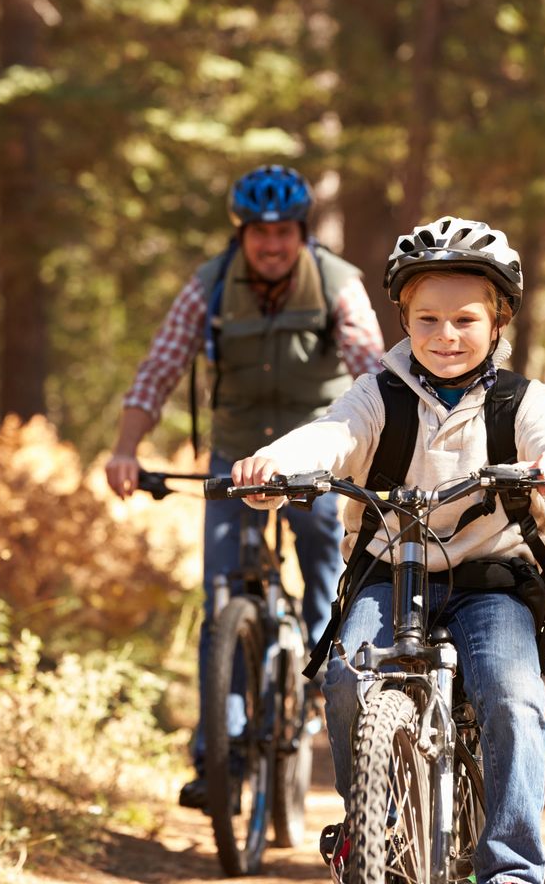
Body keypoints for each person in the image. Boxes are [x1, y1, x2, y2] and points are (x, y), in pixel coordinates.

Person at [232, 216, 545, 884]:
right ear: (402, 318)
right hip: (388, 575)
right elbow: (330, 435)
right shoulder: (378, 395)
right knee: (348, 677)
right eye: (426, 320)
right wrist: (272, 468)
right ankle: (374, 827)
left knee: (512, 697)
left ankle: (511, 868)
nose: (445, 336)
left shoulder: (520, 400)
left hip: (492, 581)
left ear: (500, 319)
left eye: (465, 320)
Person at [104, 164, 384, 809]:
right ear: (242, 235)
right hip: (234, 456)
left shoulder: (339, 284)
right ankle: (220, 756)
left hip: (313, 453)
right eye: (258, 233)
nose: (271, 245)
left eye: (283, 232)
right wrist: (125, 449)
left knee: (328, 578)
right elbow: (158, 371)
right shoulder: (207, 286)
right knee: (222, 594)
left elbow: (372, 370)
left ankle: (326, 698)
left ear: (300, 232)